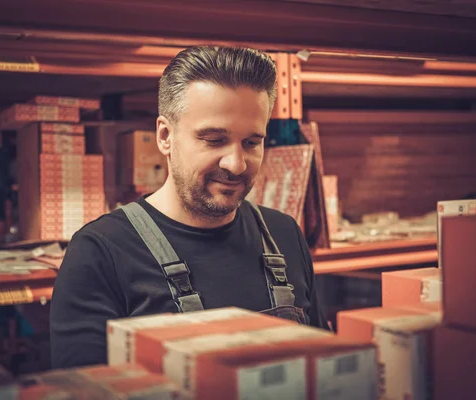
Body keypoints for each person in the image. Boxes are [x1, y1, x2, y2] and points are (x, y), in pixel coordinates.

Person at [50, 46, 329, 369]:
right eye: (214, 140)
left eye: (251, 143)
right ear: (165, 136)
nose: (236, 164)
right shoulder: (100, 252)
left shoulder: (284, 234)